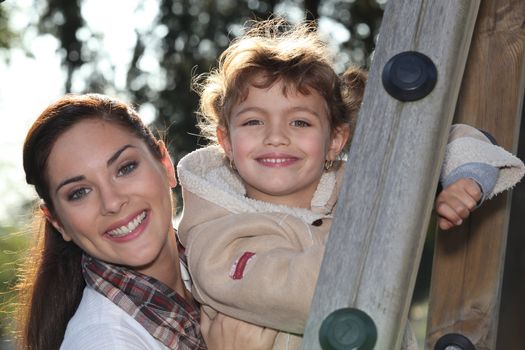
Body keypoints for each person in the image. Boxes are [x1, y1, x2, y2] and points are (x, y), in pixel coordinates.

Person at [176, 19, 525, 349]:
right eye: (253, 121)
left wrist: (465, 177)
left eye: (300, 122)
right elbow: (313, 291)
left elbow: (433, 141)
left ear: (335, 141)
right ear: (226, 141)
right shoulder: (217, 235)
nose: (276, 137)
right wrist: (391, 210)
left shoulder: (354, 189)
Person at [16, 93, 277, 350]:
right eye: (79, 193)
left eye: (125, 168)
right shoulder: (103, 341)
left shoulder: (226, 262)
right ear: (59, 223)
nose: (112, 202)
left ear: (165, 164)